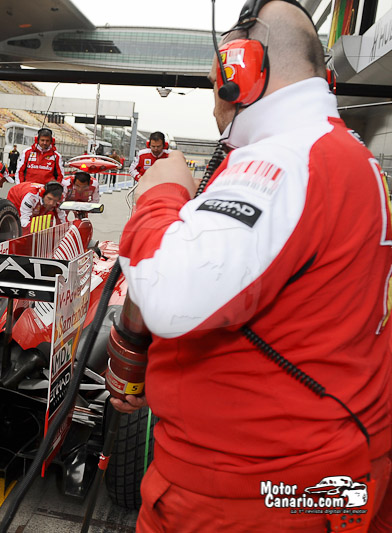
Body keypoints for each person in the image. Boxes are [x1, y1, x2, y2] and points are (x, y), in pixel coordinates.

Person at [113, 2, 392, 531]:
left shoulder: (286, 157)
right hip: (326, 470)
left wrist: (160, 194)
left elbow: (171, 297)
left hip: (253, 492)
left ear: (241, 68)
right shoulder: (343, 152)